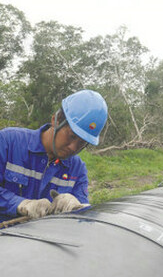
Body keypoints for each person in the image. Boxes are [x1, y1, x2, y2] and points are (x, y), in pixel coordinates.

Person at [0, 89, 108, 223]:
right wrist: (20, 204)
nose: (73, 147)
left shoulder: (77, 169)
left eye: (82, 143)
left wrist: (78, 208)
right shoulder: (8, 142)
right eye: (72, 136)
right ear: (55, 120)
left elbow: (83, 221)